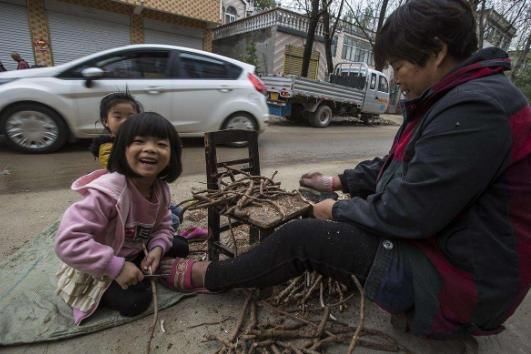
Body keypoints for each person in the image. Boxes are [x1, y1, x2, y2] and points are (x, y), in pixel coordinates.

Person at [159, 0, 531, 339]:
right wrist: (339, 182)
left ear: (437, 53)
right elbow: (399, 166)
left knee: (304, 236)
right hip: (451, 246)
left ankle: (212, 276)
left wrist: (336, 208)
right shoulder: (453, 96)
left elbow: (408, 212)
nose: (395, 78)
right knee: (328, 204)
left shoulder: (476, 110)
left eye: (400, 66)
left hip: (462, 281)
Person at [55, 112, 183, 324]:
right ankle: (107, 289)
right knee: (136, 302)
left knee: (180, 246)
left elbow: (163, 225)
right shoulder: (107, 194)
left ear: (173, 156)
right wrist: (116, 267)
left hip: (132, 248)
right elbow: (67, 242)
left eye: (161, 144)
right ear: (122, 150)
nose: (150, 149)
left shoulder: (160, 190)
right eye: (139, 142)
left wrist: (157, 249)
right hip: (98, 261)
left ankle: (142, 264)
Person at [89, 91, 206, 246]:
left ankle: (158, 240)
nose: (124, 121)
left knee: (176, 211)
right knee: (174, 219)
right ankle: (145, 241)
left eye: (130, 117)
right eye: (118, 117)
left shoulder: (160, 187)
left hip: (144, 193)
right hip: (127, 200)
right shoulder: (108, 153)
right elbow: (117, 169)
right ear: (105, 121)